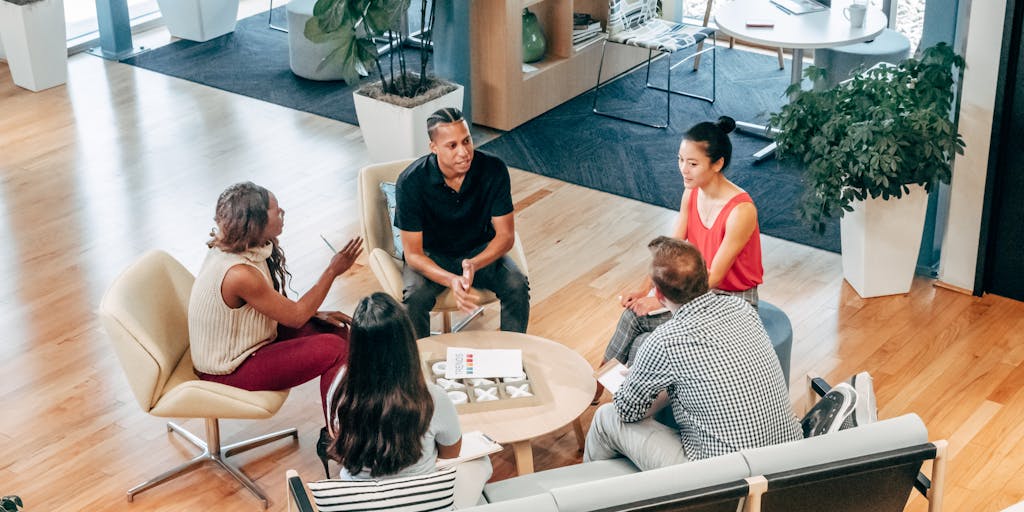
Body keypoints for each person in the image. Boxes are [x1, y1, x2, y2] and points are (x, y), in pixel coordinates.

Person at [187, 182, 363, 477]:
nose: (282, 212)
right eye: (274, 209)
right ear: (254, 221)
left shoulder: (247, 249)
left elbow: (274, 309)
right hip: (228, 367)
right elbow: (294, 318)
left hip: (250, 340)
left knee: (338, 334)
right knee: (333, 351)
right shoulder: (239, 273)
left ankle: (350, 429)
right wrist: (333, 270)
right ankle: (340, 442)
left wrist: (314, 313)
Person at [584, 237, 801, 470]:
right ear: (707, 274)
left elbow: (627, 412)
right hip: (786, 460)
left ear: (659, 297)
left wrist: (640, 382)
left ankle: (587, 495)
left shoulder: (665, 341)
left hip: (722, 479)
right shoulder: (743, 309)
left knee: (606, 418)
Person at [595, 116, 763, 401]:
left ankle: (629, 407)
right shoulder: (692, 192)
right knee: (631, 316)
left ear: (718, 163)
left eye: (693, 163)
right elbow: (670, 251)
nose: (684, 169)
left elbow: (714, 278)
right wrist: (646, 289)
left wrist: (661, 299)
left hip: (731, 300)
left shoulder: (741, 211)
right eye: (680, 160)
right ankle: (596, 387)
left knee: (646, 344)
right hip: (694, 289)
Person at [326, 293, 492, 508]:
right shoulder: (431, 398)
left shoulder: (340, 389)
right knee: (481, 462)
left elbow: (336, 435)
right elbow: (451, 453)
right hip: (419, 501)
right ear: (406, 344)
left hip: (361, 502)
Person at [395, 107, 530, 339]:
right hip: (432, 255)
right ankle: (417, 365)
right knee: (415, 297)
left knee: (517, 285)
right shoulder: (410, 182)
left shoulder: (493, 169)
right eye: (452, 145)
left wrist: (474, 264)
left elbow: (506, 236)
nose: (464, 152)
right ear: (433, 148)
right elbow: (413, 254)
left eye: (466, 141)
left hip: (479, 250)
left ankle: (511, 358)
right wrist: (451, 279)